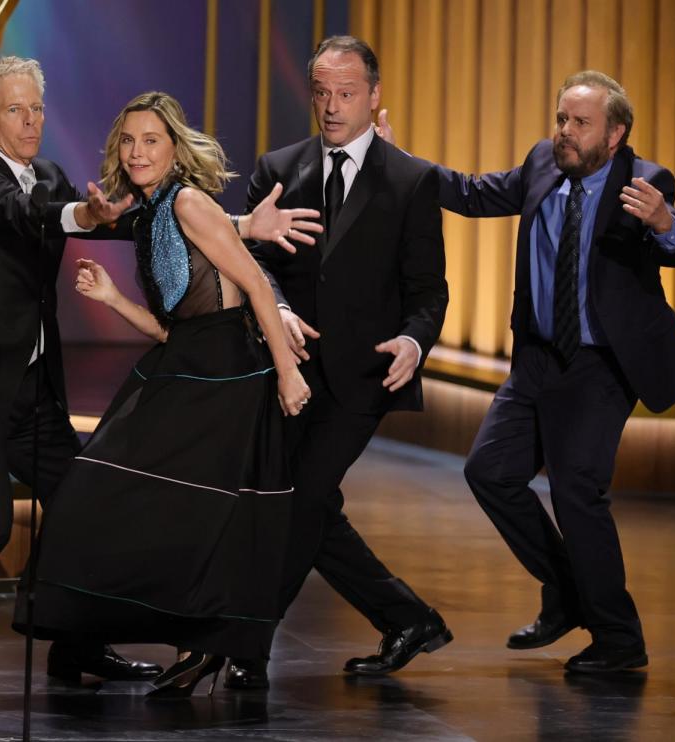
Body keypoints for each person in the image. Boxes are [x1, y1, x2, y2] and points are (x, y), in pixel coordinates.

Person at [0, 58, 318, 704]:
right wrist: (83, 219)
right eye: (17, 110)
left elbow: (145, 219)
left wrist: (238, 228)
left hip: (27, 388)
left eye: (37, 108)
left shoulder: (51, 177)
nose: (33, 120)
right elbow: (33, 211)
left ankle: (78, 643)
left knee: (85, 500)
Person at [14, 90, 312, 698]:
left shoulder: (189, 202)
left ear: (174, 148)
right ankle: (182, 645)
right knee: (146, 505)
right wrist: (113, 301)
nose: (137, 151)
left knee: (194, 514)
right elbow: (171, 325)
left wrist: (287, 370)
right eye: (128, 140)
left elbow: (254, 281)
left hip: (225, 373)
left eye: (151, 140)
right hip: (180, 362)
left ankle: (201, 645)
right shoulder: (147, 214)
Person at [428, 70, 675, 672]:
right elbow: (474, 193)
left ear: (615, 132)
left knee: (577, 491)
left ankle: (620, 640)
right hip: (538, 356)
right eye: (561, 119)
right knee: (490, 473)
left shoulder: (645, 180)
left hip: (601, 363)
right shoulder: (541, 165)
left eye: (580, 123)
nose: (565, 133)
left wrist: (664, 224)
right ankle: (566, 594)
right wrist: (394, 161)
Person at [226, 35, 452, 690]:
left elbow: (428, 290)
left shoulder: (411, 179)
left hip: (363, 376)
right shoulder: (279, 165)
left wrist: (414, 341)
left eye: (346, 93)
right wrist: (274, 305)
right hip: (287, 367)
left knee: (299, 503)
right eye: (322, 92)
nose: (331, 106)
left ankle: (245, 645)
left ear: (374, 96)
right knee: (307, 504)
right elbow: (257, 260)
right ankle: (407, 617)